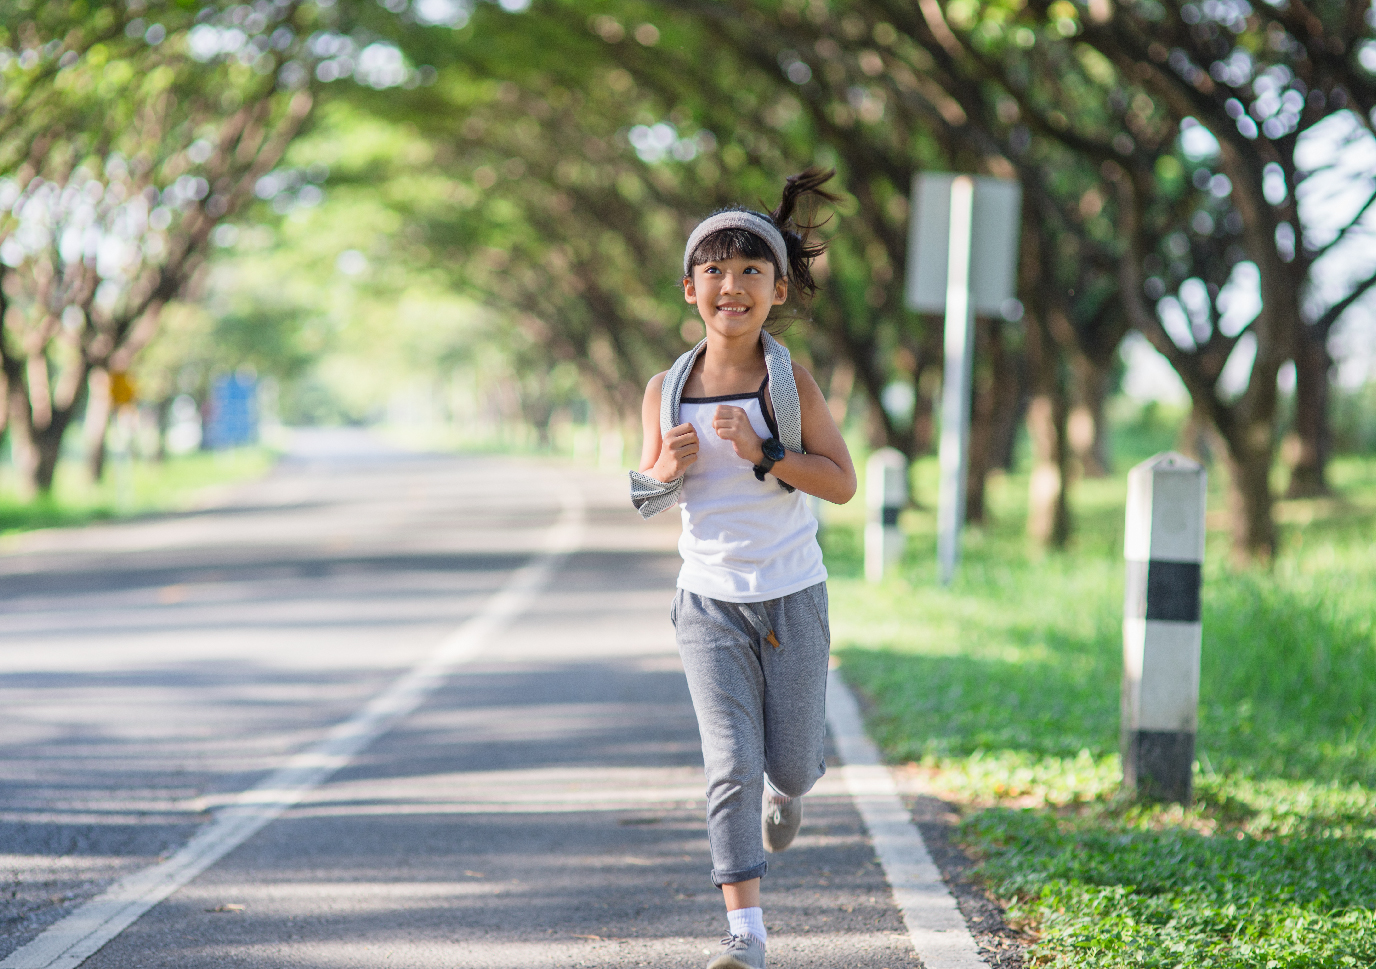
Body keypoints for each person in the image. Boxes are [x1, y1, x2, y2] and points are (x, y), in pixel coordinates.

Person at [629, 168, 857, 969]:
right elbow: (644, 490)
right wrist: (666, 469)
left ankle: (786, 792)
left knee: (789, 763)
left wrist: (769, 453)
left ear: (779, 287)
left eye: (751, 270)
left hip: (791, 594)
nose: (733, 286)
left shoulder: (789, 382)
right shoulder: (667, 388)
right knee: (728, 762)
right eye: (715, 272)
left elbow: (842, 481)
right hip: (708, 603)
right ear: (690, 288)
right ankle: (746, 935)